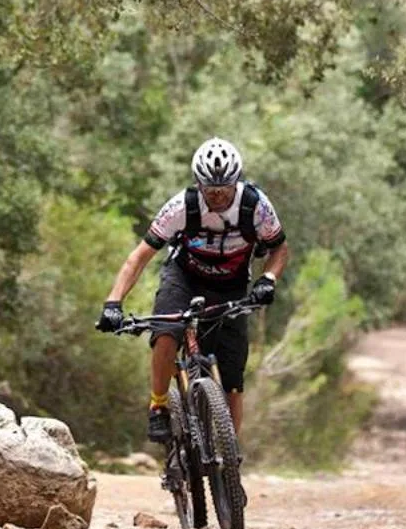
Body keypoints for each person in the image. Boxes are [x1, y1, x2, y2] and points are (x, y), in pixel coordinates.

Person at [96, 137, 290, 443]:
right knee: (165, 332)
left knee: (232, 380)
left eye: (223, 189)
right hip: (184, 277)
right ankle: (159, 405)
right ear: (198, 184)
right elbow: (139, 257)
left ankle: (229, 460)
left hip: (232, 285)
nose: (216, 195)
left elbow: (280, 250)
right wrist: (113, 302)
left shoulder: (256, 206)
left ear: (235, 182)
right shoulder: (180, 207)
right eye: (209, 189)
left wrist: (268, 280)